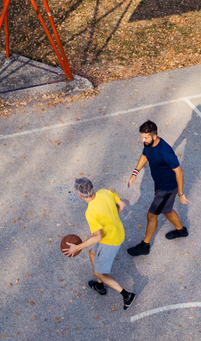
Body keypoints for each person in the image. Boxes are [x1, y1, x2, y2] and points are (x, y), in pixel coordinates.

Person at [63, 177, 137, 310]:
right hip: (117, 232)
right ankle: (100, 286)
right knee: (92, 253)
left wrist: (77, 247)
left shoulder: (90, 212)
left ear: (80, 195)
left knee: (98, 273)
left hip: (110, 241)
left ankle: (127, 295)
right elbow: (122, 204)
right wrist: (113, 218)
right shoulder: (104, 192)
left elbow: (97, 237)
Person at [125, 119, 189, 256]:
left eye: (146, 137)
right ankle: (181, 230)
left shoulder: (165, 151)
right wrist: (135, 173)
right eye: (142, 137)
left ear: (155, 136)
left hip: (167, 189)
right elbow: (145, 155)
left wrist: (181, 193)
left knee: (151, 216)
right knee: (167, 210)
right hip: (160, 185)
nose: (143, 140)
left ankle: (145, 246)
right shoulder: (149, 144)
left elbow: (179, 172)